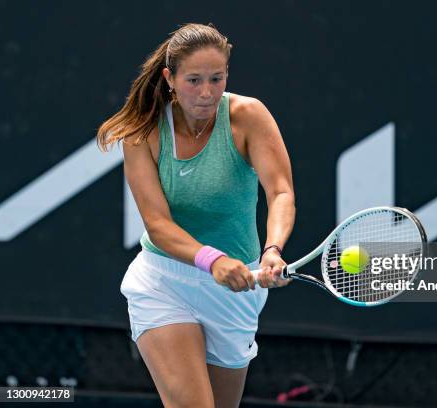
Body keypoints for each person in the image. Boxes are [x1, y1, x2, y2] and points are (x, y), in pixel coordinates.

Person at [96, 23, 296, 407]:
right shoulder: (143, 131)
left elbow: (281, 191)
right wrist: (213, 260)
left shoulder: (248, 116)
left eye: (216, 79)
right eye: (194, 80)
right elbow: (158, 225)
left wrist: (273, 248)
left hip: (238, 287)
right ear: (170, 78)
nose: (206, 92)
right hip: (165, 281)